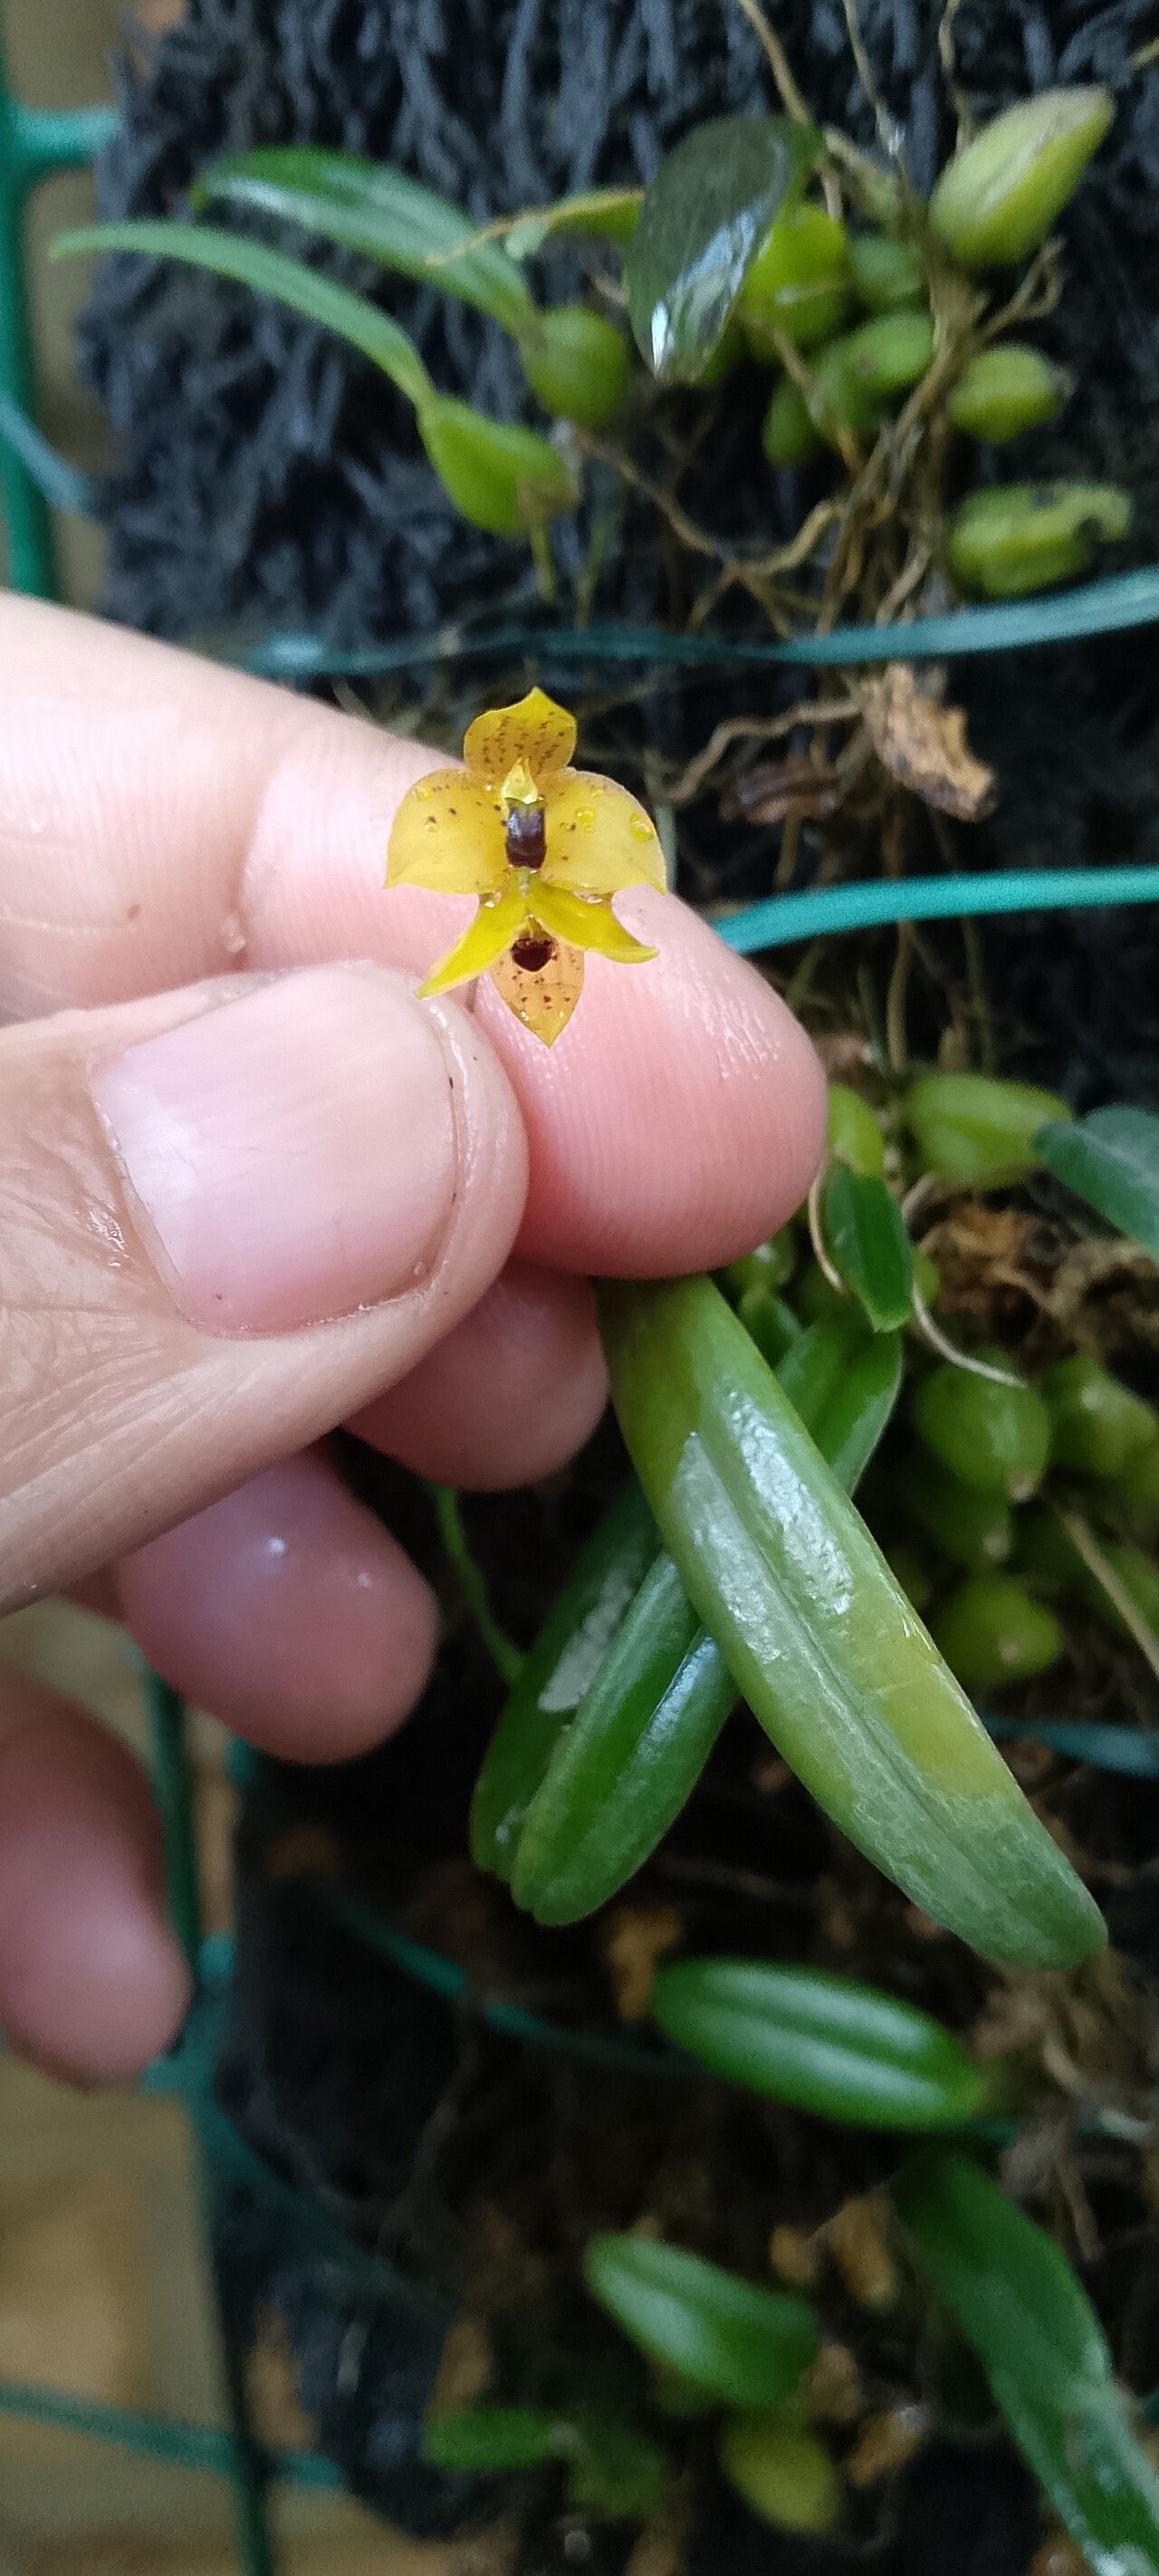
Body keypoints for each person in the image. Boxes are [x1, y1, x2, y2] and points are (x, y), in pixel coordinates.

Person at [0, 594, 825, 2085]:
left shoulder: (549, 875)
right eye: (509, 812)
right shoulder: (473, 883)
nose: (524, 818)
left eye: (537, 814)